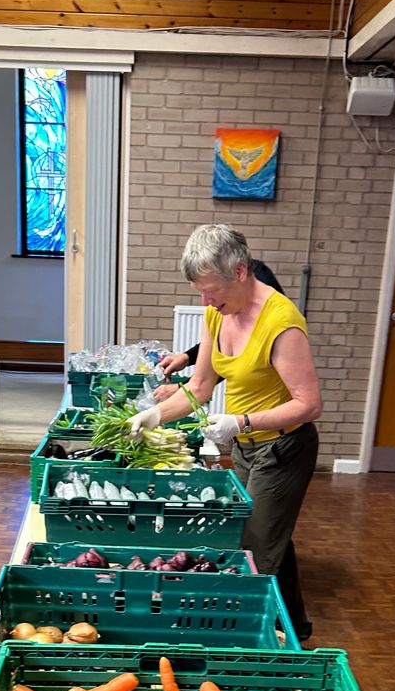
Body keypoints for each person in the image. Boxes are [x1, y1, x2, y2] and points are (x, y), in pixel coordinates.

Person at [130, 224, 322, 643]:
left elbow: (308, 404)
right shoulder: (217, 314)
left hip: (285, 448)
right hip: (250, 448)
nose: (205, 301)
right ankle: (297, 627)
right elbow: (199, 388)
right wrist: (154, 416)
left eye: (210, 289)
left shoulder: (282, 322)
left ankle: (249, 648)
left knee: (252, 551)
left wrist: (241, 421)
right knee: (269, 534)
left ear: (240, 272)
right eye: (199, 291)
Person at [156, 260, 286, 388]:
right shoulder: (227, 308)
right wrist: (187, 357)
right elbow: (223, 346)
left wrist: (182, 388)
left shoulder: (275, 320)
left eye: (213, 290)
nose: (206, 302)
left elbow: (236, 363)